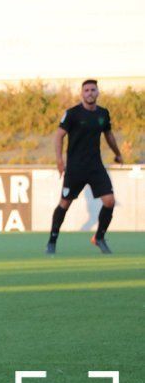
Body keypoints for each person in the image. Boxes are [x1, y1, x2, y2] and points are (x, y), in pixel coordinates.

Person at [46, 79, 123, 255]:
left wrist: (118, 153)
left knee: (109, 201)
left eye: (93, 90)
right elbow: (58, 136)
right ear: (82, 93)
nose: (89, 93)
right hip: (75, 168)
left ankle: (99, 237)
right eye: (86, 90)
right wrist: (59, 160)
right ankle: (52, 240)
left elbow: (108, 134)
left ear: (98, 92)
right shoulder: (72, 114)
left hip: (95, 167)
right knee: (64, 204)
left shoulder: (103, 113)